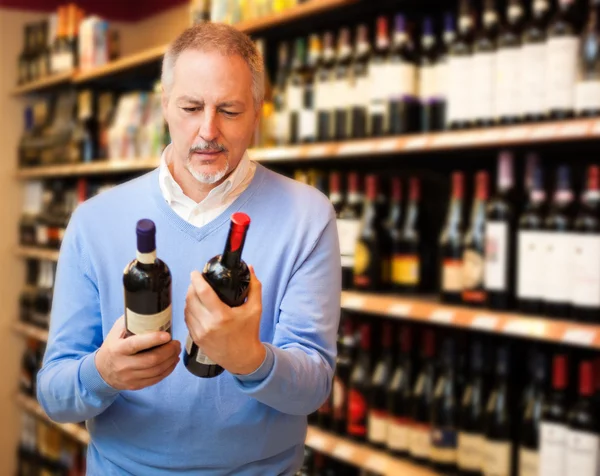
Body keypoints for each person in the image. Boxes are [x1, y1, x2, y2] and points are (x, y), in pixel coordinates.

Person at [37, 22, 341, 475]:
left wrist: (248, 359)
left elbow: (314, 387)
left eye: (230, 110)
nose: (207, 130)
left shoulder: (308, 216)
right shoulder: (93, 220)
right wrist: (101, 373)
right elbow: (54, 396)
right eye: (191, 106)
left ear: (258, 112)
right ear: (164, 106)